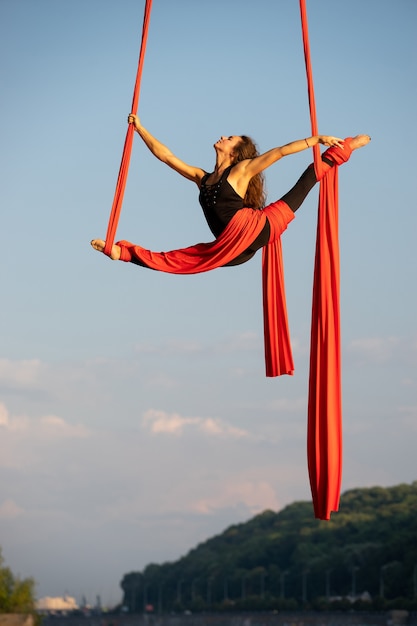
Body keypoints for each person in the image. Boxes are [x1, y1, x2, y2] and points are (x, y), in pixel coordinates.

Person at [91, 114, 370, 265]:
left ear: (236, 152)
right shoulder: (203, 178)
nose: (223, 137)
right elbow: (167, 157)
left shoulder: (241, 171)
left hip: (260, 228)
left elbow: (280, 152)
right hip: (233, 251)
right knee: (184, 259)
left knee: (307, 180)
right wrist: (140, 129)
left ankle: (347, 147)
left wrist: (317, 139)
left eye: (230, 137)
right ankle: (122, 253)